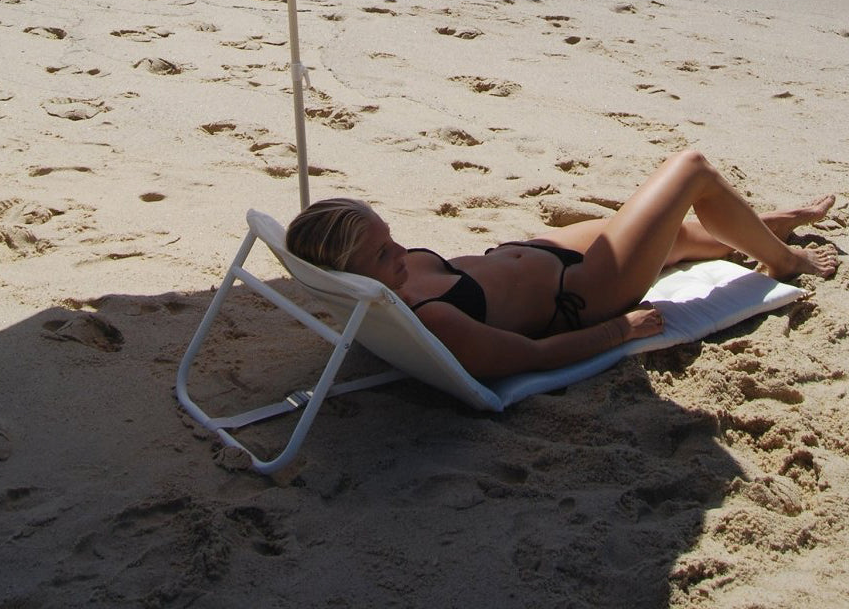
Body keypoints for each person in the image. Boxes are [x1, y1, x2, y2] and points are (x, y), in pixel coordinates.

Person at [285, 150, 838, 380]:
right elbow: (532, 356)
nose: (402, 253)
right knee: (690, 170)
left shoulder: (383, 291)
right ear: (352, 273)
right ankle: (786, 259)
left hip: (547, 254)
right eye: (384, 254)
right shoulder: (434, 322)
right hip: (584, 290)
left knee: (688, 238)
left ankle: (774, 222)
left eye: (393, 238)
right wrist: (622, 327)